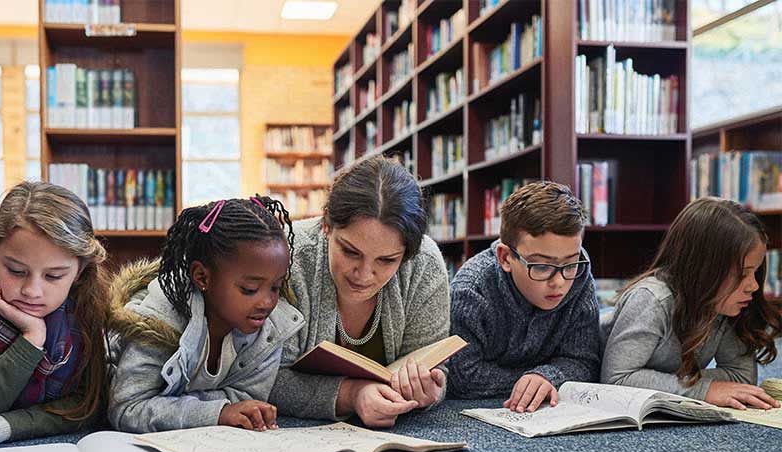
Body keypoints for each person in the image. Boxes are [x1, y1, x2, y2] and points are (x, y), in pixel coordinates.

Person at [269, 156, 451, 428]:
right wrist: (351, 395)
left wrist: (431, 389)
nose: (364, 275)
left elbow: (435, 364)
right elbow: (264, 377)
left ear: (407, 254)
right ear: (327, 225)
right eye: (350, 251)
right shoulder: (287, 257)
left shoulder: (424, 263)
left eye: (387, 260)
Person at [0, 181, 111, 450]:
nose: (31, 291)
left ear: (80, 271)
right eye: (16, 271)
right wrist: (31, 339)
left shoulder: (90, 305)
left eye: (53, 276)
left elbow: (85, 406)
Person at [108, 196, 303, 432]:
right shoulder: (157, 323)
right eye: (249, 289)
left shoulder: (270, 331)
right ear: (202, 277)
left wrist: (224, 411)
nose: (268, 302)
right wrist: (218, 411)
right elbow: (127, 408)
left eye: (276, 287)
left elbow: (246, 399)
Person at [601, 196, 780, 409]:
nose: (754, 286)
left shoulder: (723, 304)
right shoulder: (651, 299)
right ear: (703, 271)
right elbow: (615, 379)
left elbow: (741, 377)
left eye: (755, 272)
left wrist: (660, 381)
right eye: (742, 274)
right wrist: (704, 388)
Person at [447, 181, 600, 412]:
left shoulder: (579, 274)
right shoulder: (471, 290)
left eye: (569, 263)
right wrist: (531, 380)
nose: (559, 282)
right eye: (541, 266)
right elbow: (463, 376)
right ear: (506, 258)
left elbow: (584, 360)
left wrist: (547, 376)